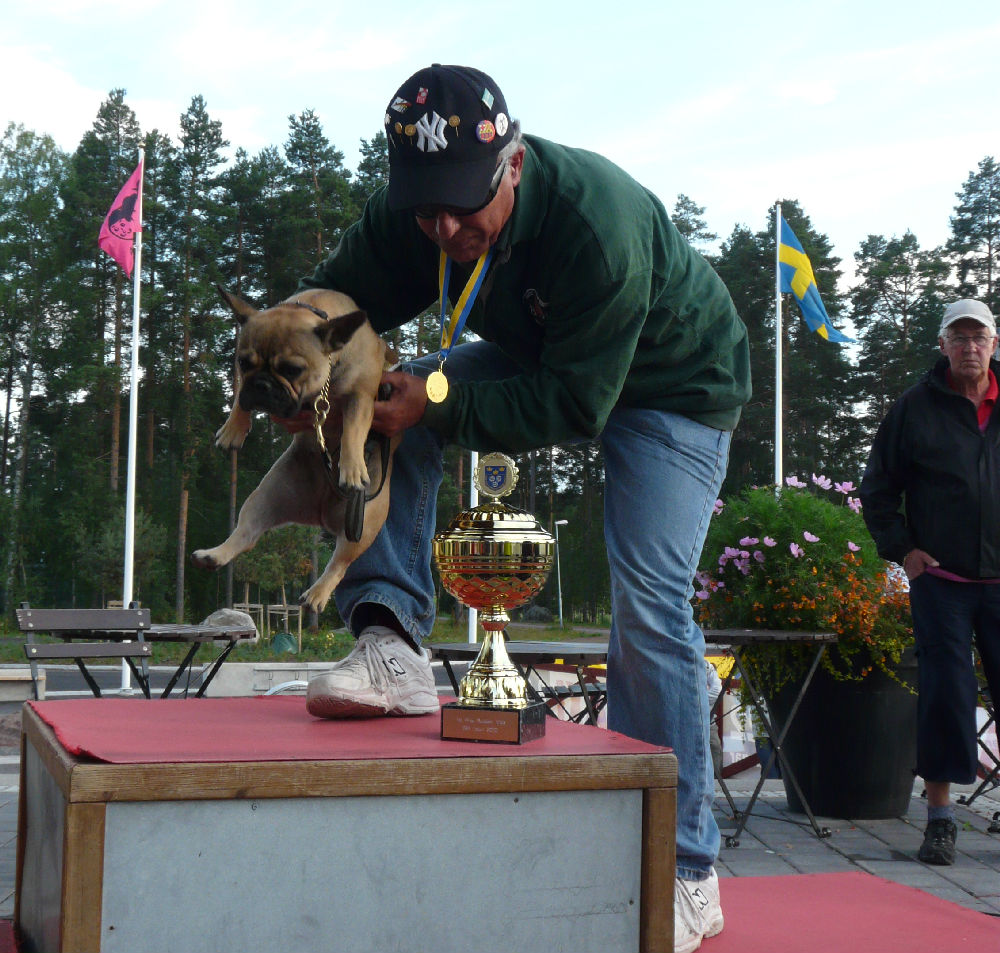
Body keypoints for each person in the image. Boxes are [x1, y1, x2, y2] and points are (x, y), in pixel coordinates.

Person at [299, 64, 751, 950]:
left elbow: (576, 404)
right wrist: (288, 356)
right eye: (428, 209)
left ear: (512, 162)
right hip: (541, 353)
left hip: (675, 389)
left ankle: (689, 868)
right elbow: (330, 306)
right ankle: (390, 641)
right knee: (395, 397)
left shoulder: (596, 225)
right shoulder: (418, 217)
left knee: (650, 602)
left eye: (466, 206)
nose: (447, 228)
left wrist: (436, 399)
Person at [860, 298, 1000, 867]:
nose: (969, 347)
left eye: (979, 337)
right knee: (945, 694)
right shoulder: (914, 408)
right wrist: (902, 550)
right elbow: (878, 489)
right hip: (941, 579)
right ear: (942, 345)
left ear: (994, 343)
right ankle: (940, 819)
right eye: (958, 337)